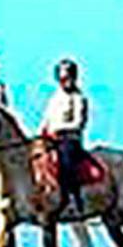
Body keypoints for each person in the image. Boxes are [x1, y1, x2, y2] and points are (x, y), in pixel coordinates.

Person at [39, 57, 89, 212]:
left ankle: (73, 198)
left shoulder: (78, 98)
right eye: (61, 79)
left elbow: (78, 123)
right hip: (50, 139)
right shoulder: (54, 98)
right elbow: (46, 119)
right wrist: (40, 132)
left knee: (65, 161)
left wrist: (59, 129)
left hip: (68, 139)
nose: (65, 81)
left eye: (68, 78)